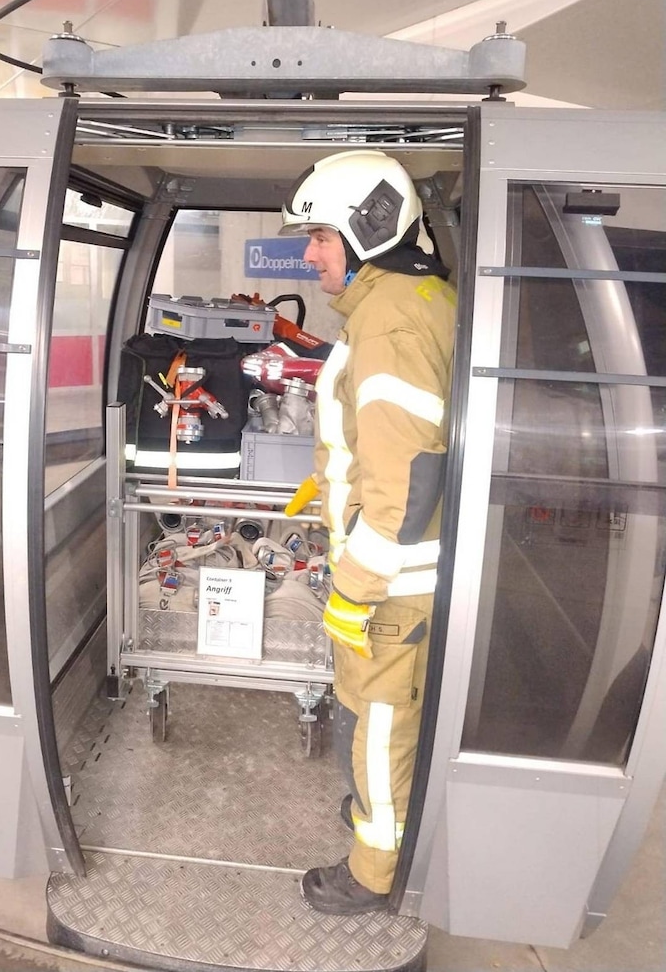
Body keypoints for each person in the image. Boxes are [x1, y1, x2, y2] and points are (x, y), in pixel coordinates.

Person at [280, 150, 456, 915]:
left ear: (368, 228)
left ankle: (372, 873)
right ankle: (373, 824)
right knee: (378, 724)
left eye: (320, 235)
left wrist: (351, 590)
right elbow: (393, 442)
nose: (309, 252)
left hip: (393, 581)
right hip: (403, 569)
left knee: (380, 726)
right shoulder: (416, 298)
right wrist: (328, 480)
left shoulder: (386, 320)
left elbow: (407, 484)